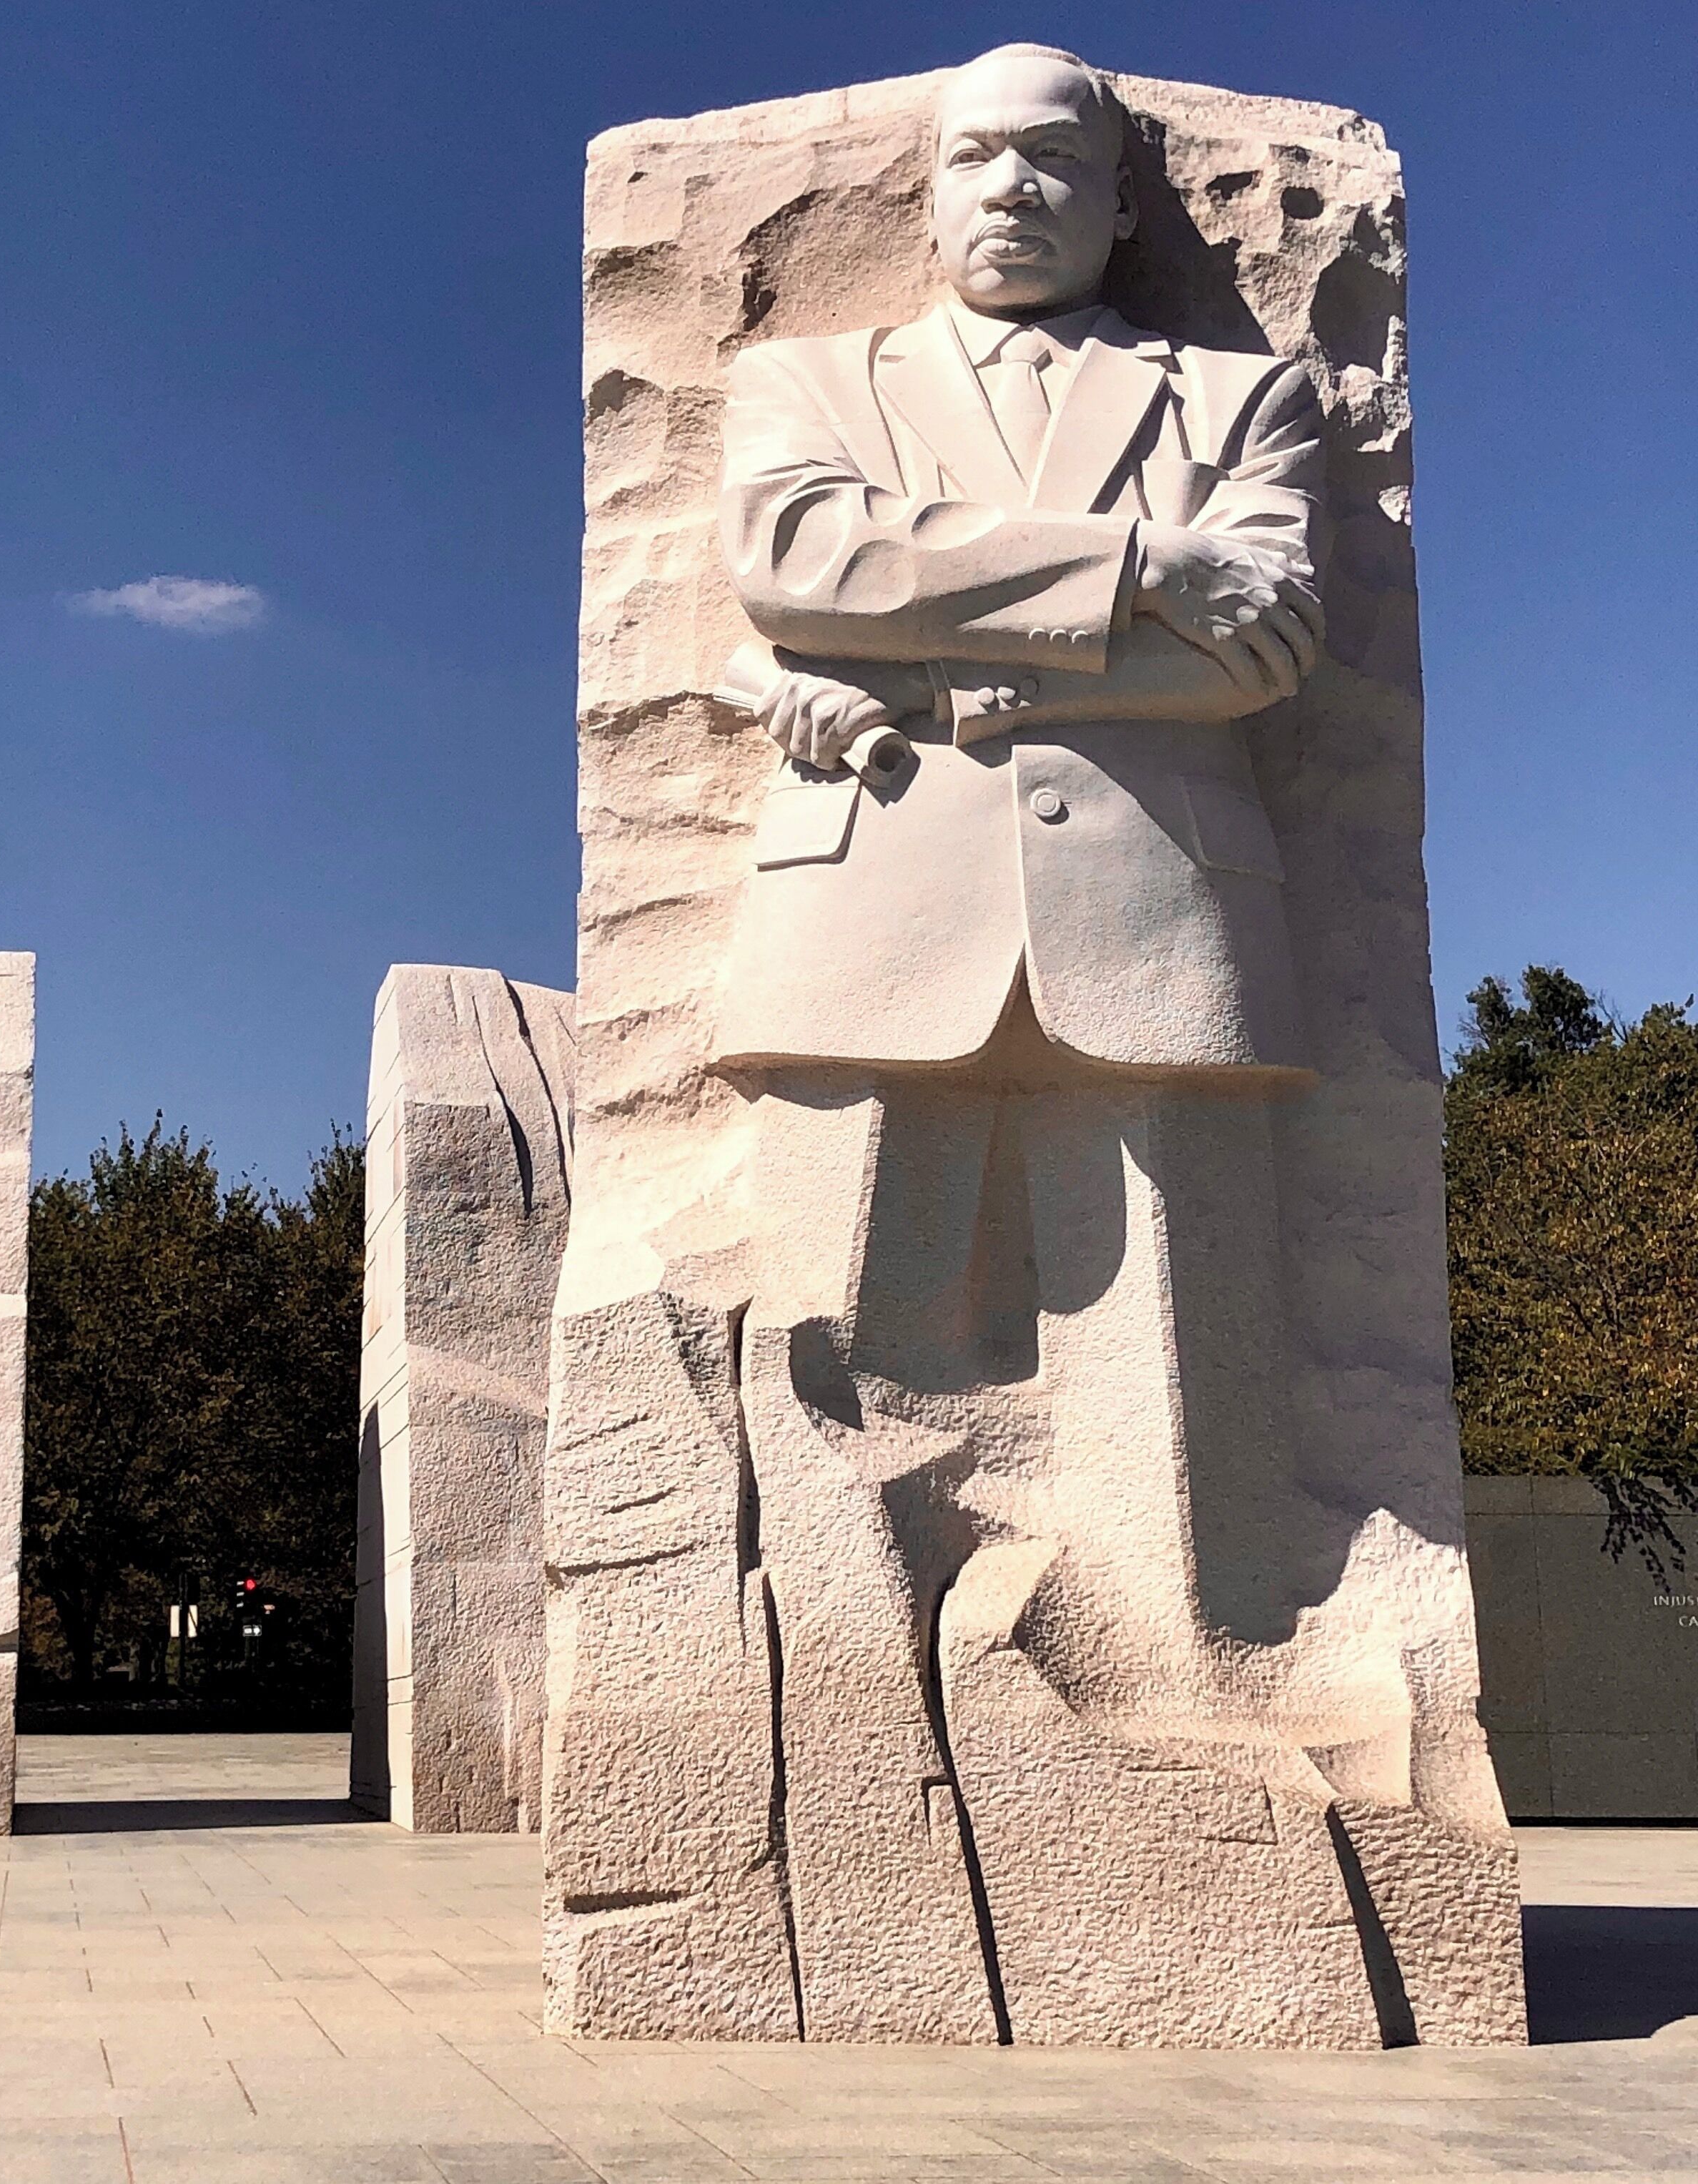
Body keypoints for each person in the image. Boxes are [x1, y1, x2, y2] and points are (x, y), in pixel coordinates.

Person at [709, 41, 1336, 2040]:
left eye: (1055, 163)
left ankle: (1194, 1732)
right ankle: (843, 1778)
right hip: (869, 914)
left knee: (1168, 1372)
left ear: (1121, 197)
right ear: (926, 182)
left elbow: (1268, 647)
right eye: (976, 157)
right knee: (828, 1362)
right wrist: (1137, 572)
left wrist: (922, 633)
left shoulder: (1242, 392)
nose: (1013, 192)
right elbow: (796, 562)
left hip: (1152, 924)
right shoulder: (808, 383)